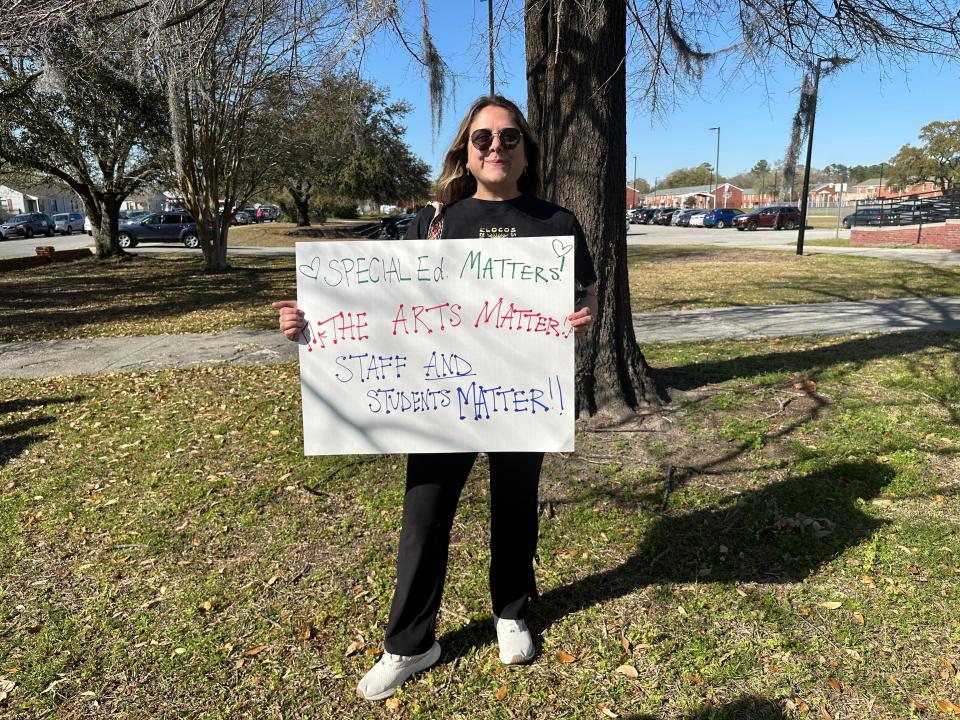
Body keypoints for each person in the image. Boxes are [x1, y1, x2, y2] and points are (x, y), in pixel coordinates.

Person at [272, 95, 598, 701]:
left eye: (508, 137)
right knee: (423, 518)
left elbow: (586, 295)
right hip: (440, 399)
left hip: (517, 393)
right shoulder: (435, 224)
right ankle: (411, 642)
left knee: (516, 507)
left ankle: (511, 612)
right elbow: (380, 307)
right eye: (482, 139)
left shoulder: (556, 224)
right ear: (466, 153)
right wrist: (308, 322)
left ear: (527, 149)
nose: (495, 147)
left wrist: (580, 319)